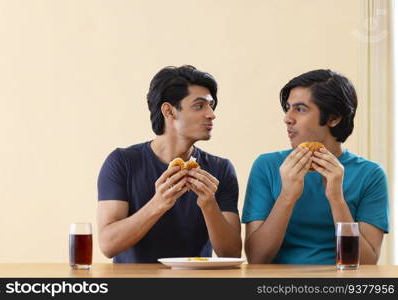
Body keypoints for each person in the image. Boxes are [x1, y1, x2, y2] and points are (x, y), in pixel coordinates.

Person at [243, 69, 389, 264]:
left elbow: (367, 263)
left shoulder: (370, 174)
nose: (287, 117)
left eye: (300, 109)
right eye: (288, 107)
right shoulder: (267, 166)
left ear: (333, 118)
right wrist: (287, 196)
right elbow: (256, 258)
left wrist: (336, 199)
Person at [97, 65, 241, 263]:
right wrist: (158, 204)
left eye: (211, 105)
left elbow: (232, 254)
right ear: (169, 111)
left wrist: (209, 204)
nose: (211, 114)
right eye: (199, 106)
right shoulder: (122, 162)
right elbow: (108, 245)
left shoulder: (221, 169)